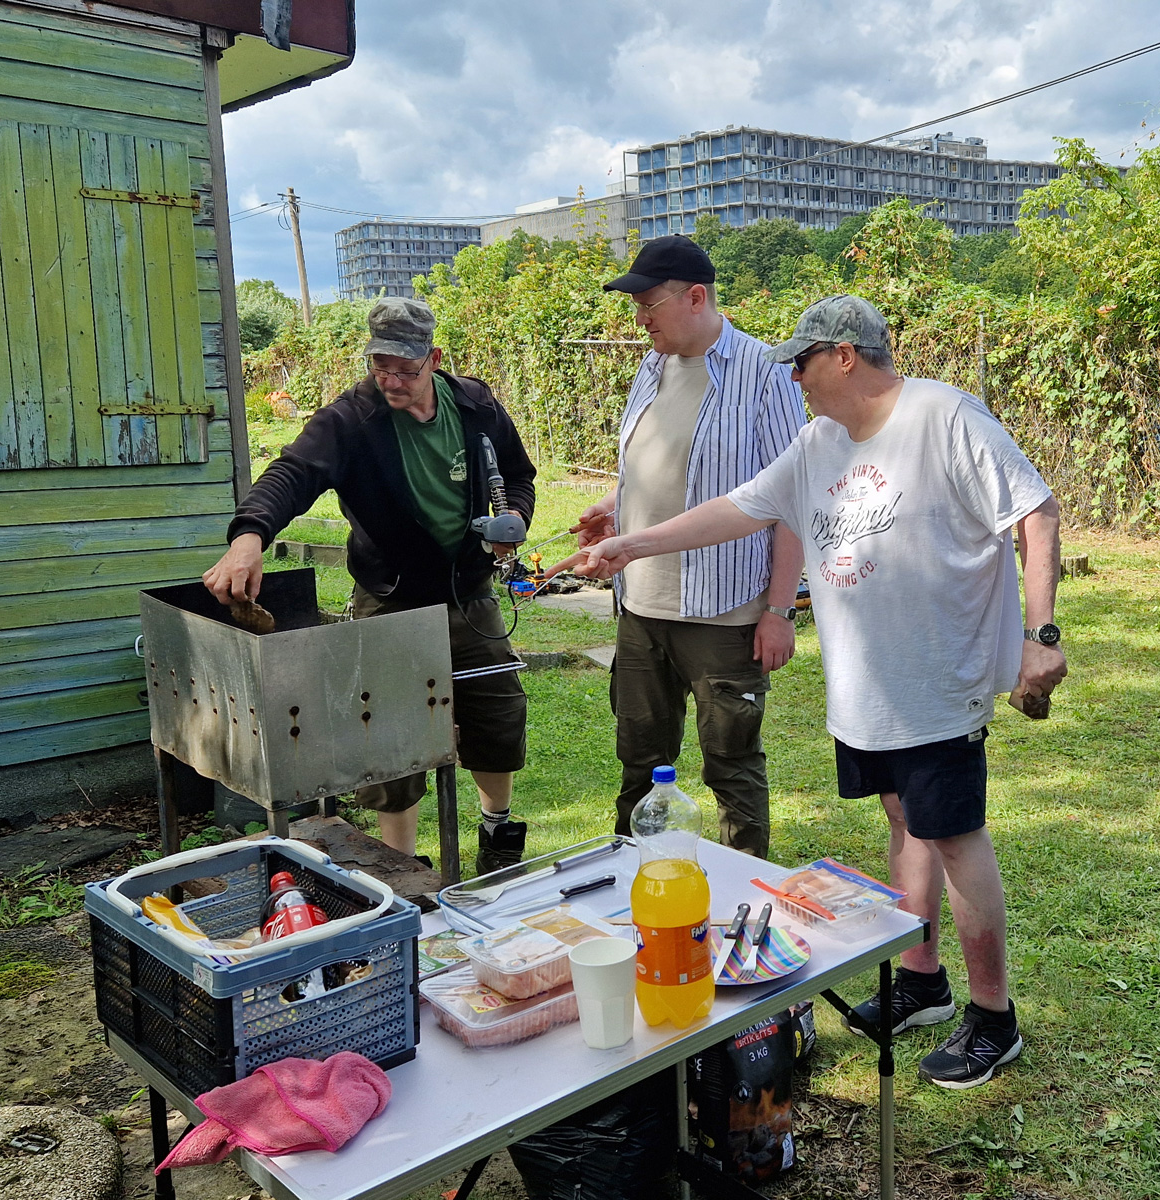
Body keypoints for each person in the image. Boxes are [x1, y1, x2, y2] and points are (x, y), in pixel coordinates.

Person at [559, 294, 1067, 1089]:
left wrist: (1041, 637)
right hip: (869, 687)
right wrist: (630, 544)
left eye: (800, 362)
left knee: (957, 839)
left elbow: (1035, 513)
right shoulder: (819, 441)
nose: (792, 377)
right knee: (903, 822)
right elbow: (739, 508)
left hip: (939, 683)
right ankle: (923, 982)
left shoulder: (944, 417)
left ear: (843, 356)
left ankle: (993, 1019)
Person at [203, 297, 537, 875]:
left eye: (405, 369)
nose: (391, 381)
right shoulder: (349, 420)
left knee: (498, 714)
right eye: (380, 366)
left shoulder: (477, 406)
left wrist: (516, 520)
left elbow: (519, 475)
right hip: (391, 596)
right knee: (390, 737)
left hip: (469, 591)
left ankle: (496, 829)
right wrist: (249, 535)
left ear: (433, 359)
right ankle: (401, 864)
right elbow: (293, 473)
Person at [574, 236, 806, 860]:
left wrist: (779, 610)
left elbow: (792, 500)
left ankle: (741, 902)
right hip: (641, 608)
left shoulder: (765, 373)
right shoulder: (652, 367)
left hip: (724, 614)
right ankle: (638, 889)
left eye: (649, 303)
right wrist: (615, 510)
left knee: (731, 768)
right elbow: (654, 472)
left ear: (695, 297)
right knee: (640, 765)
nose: (640, 318)